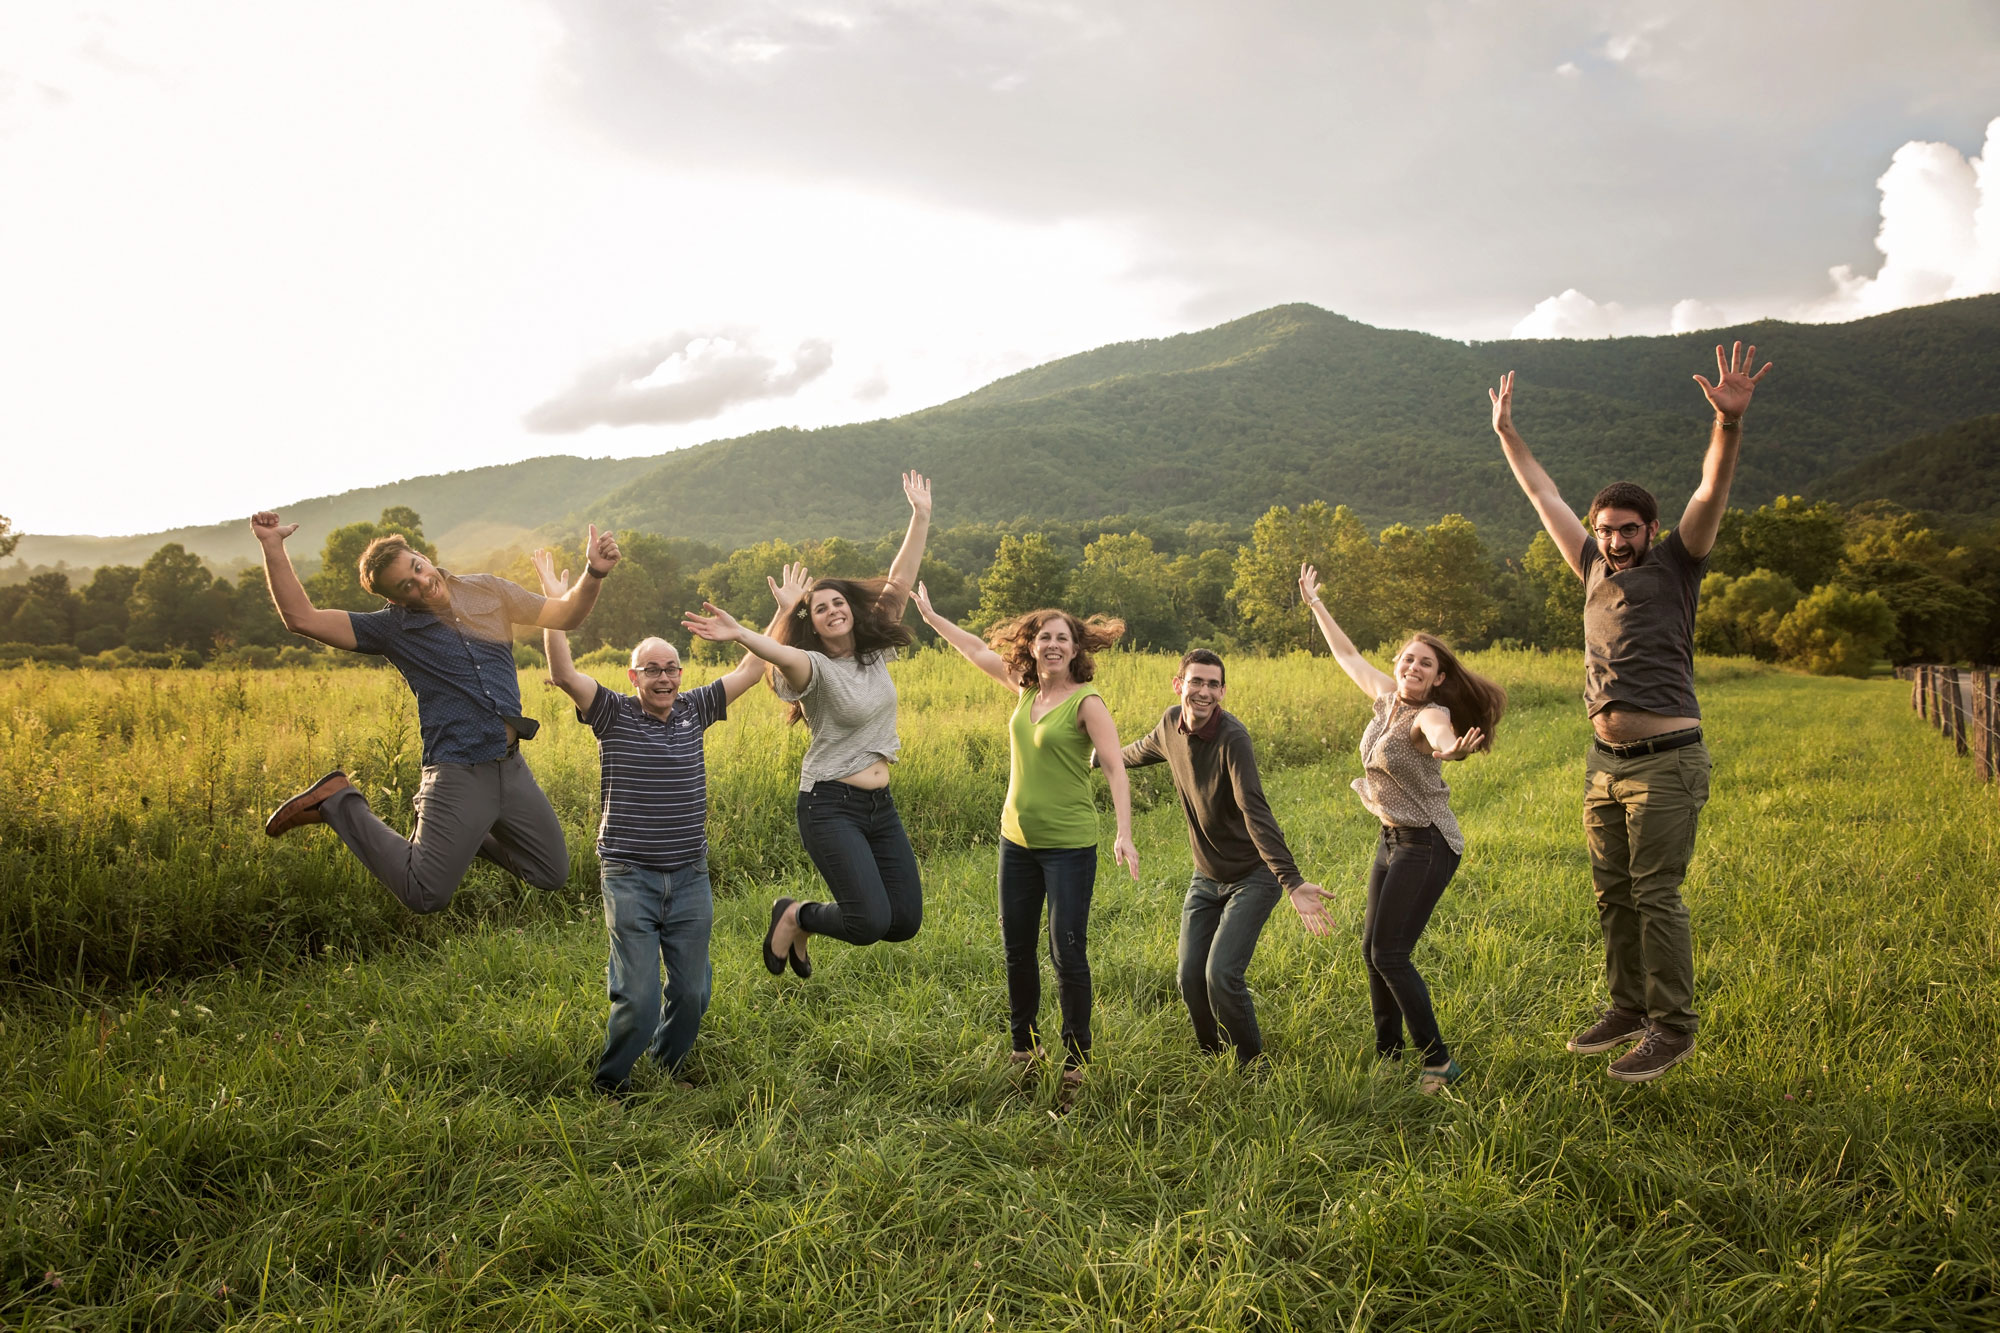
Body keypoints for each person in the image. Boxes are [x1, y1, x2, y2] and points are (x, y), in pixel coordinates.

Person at [1489, 342, 1771, 1083]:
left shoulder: (1679, 562)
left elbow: (1710, 492)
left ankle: (1673, 1027)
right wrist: (1507, 435)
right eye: (1606, 528)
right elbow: (1544, 496)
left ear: (1649, 530)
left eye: (1627, 528)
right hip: (1603, 762)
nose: (1615, 540)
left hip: (1668, 759)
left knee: (1655, 893)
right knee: (1612, 893)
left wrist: (1728, 426)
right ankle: (1628, 1007)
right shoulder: (1587, 565)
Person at [254, 511, 621, 912]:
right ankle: (338, 801)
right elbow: (301, 619)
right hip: (457, 771)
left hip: (511, 768)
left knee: (550, 872)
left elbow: (565, 614)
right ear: (394, 599)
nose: (422, 583)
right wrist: (272, 544)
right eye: (406, 586)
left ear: (422, 554)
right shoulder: (392, 629)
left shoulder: (488, 590)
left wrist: (594, 572)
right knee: (424, 893)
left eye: (418, 568)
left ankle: (470, 832)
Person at [532, 549, 768, 1097]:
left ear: (681, 674)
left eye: (671, 668)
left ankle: (663, 1067)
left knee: (693, 994)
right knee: (636, 997)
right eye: (652, 670)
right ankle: (610, 1084)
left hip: (690, 876)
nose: (663, 678)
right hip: (630, 876)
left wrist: (781, 613)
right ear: (633, 675)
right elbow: (563, 672)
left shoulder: (696, 708)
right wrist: (554, 604)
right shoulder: (612, 712)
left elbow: (753, 667)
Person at [681, 472, 934, 980]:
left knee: (903, 921)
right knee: (867, 923)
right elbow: (776, 653)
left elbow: (899, 581)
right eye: (821, 608)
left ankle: (800, 918)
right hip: (829, 805)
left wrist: (920, 515)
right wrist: (743, 632)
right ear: (812, 625)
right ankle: (795, 915)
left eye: (838, 602)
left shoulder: (873, 651)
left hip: (879, 806)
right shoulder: (811, 667)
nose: (834, 610)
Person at [912, 584, 1139, 1084]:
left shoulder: (1087, 702)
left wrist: (1124, 833)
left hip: (1069, 847)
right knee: (1016, 947)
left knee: (1067, 952)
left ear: (1075, 649)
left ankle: (1077, 1062)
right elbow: (974, 648)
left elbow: (1116, 770)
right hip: (1015, 841)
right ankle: (1025, 1051)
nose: (1053, 645)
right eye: (1044, 638)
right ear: (1032, 646)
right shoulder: (1026, 689)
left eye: (1062, 638)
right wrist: (931, 617)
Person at [1301, 565, 1503, 1094]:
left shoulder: (1429, 714)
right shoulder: (1387, 697)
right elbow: (1346, 655)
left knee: (1390, 953)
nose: (1414, 666)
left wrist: (1447, 750)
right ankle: (1389, 1054)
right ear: (1399, 665)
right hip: (1393, 839)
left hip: (1429, 843)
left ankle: (1438, 1061)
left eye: (1426, 663)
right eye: (1408, 658)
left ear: (1438, 678)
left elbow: (1438, 735)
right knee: (1372, 948)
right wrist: (1316, 604)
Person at [1110, 648, 1334, 1069]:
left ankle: (1252, 1064)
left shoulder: (1233, 738)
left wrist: (1290, 881)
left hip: (1254, 875)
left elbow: (1255, 809)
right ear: (1179, 685)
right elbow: (1136, 751)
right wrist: (1096, 756)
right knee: (1189, 977)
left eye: (1213, 684)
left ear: (1223, 691)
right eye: (1196, 681)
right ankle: (1212, 1054)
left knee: (1221, 976)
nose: (1204, 691)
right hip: (1206, 876)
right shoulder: (1168, 725)